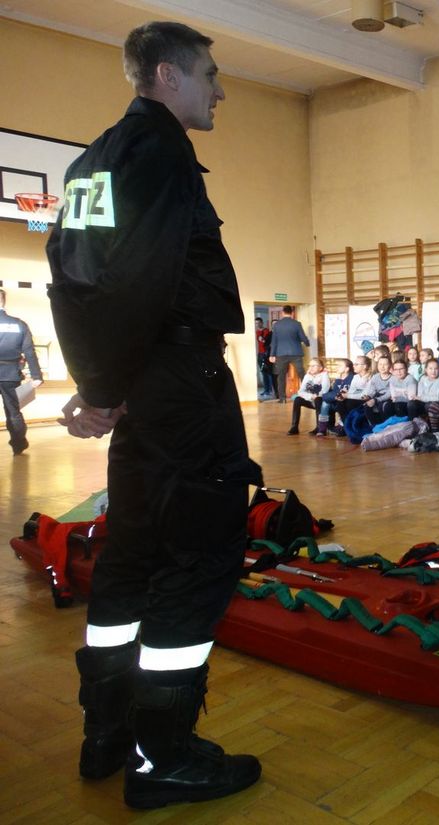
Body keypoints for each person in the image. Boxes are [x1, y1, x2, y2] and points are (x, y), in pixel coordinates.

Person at [45, 21, 261, 808]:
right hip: (180, 381)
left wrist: (101, 379)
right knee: (199, 553)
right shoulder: (163, 153)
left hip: (143, 378)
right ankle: (163, 754)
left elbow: (72, 277)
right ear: (168, 75)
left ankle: (107, 732)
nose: (220, 90)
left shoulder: (92, 161)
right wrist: (108, 387)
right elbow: (138, 277)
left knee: (132, 552)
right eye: (210, 74)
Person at [0, 289, 44, 456]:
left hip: (9, 372)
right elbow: (29, 351)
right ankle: (18, 445)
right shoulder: (19, 324)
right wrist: (36, 376)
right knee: (13, 412)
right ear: (3, 301)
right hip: (11, 374)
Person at [269, 305, 309, 402]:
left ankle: (282, 398)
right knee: (302, 374)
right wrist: (307, 343)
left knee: (281, 376)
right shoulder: (297, 324)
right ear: (292, 313)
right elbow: (303, 337)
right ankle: (308, 395)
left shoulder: (277, 325)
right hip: (296, 353)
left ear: (282, 313)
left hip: (281, 354)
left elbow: (274, 341)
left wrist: (272, 355)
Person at [286, 357, 330, 435]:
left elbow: (324, 391)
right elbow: (300, 391)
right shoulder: (307, 376)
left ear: (320, 368)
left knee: (318, 399)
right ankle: (294, 427)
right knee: (297, 399)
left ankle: (319, 427)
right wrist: (310, 396)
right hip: (311, 399)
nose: (311, 368)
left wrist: (315, 396)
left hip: (321, 402)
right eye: (309, 366)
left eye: (313, 366)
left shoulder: (324, 375)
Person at [316, 358, 353, 436]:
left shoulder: (352, 378)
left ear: (346, 369)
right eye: (337, 365)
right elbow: (334, 393)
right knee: (325, 403)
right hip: (337, 400)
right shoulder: (338, 380)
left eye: (340, 366)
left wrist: (337, 395)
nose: (337, 367)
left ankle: (342, 426)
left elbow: (346, 393)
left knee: (340, 403)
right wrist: (335, 396)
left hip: (346, 402)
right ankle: (322, 429)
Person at [254, 317, 273, 398]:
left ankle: (271, 390)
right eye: (256, 323)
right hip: (260, 354)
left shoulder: (266, 331)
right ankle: (266, 390)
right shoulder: (256, 332)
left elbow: (266, 341)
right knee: (263, 373)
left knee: (269, 373)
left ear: (262, 323)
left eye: (258, 323)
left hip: (266, 354)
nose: (257, 324)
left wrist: (262, 339)